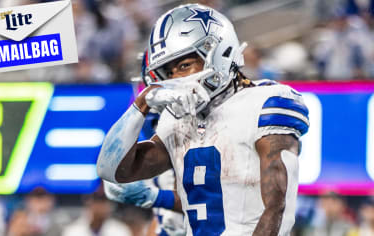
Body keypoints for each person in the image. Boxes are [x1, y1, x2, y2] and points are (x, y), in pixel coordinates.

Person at [97, 3, 309, 235]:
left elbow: (278, 208)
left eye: (184, 66)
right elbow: (112, 169)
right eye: (169, 73)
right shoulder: (176, 120)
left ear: (219, 51)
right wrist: (142, 103)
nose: (176, 79)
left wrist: (158, 197)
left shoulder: (266, 102)